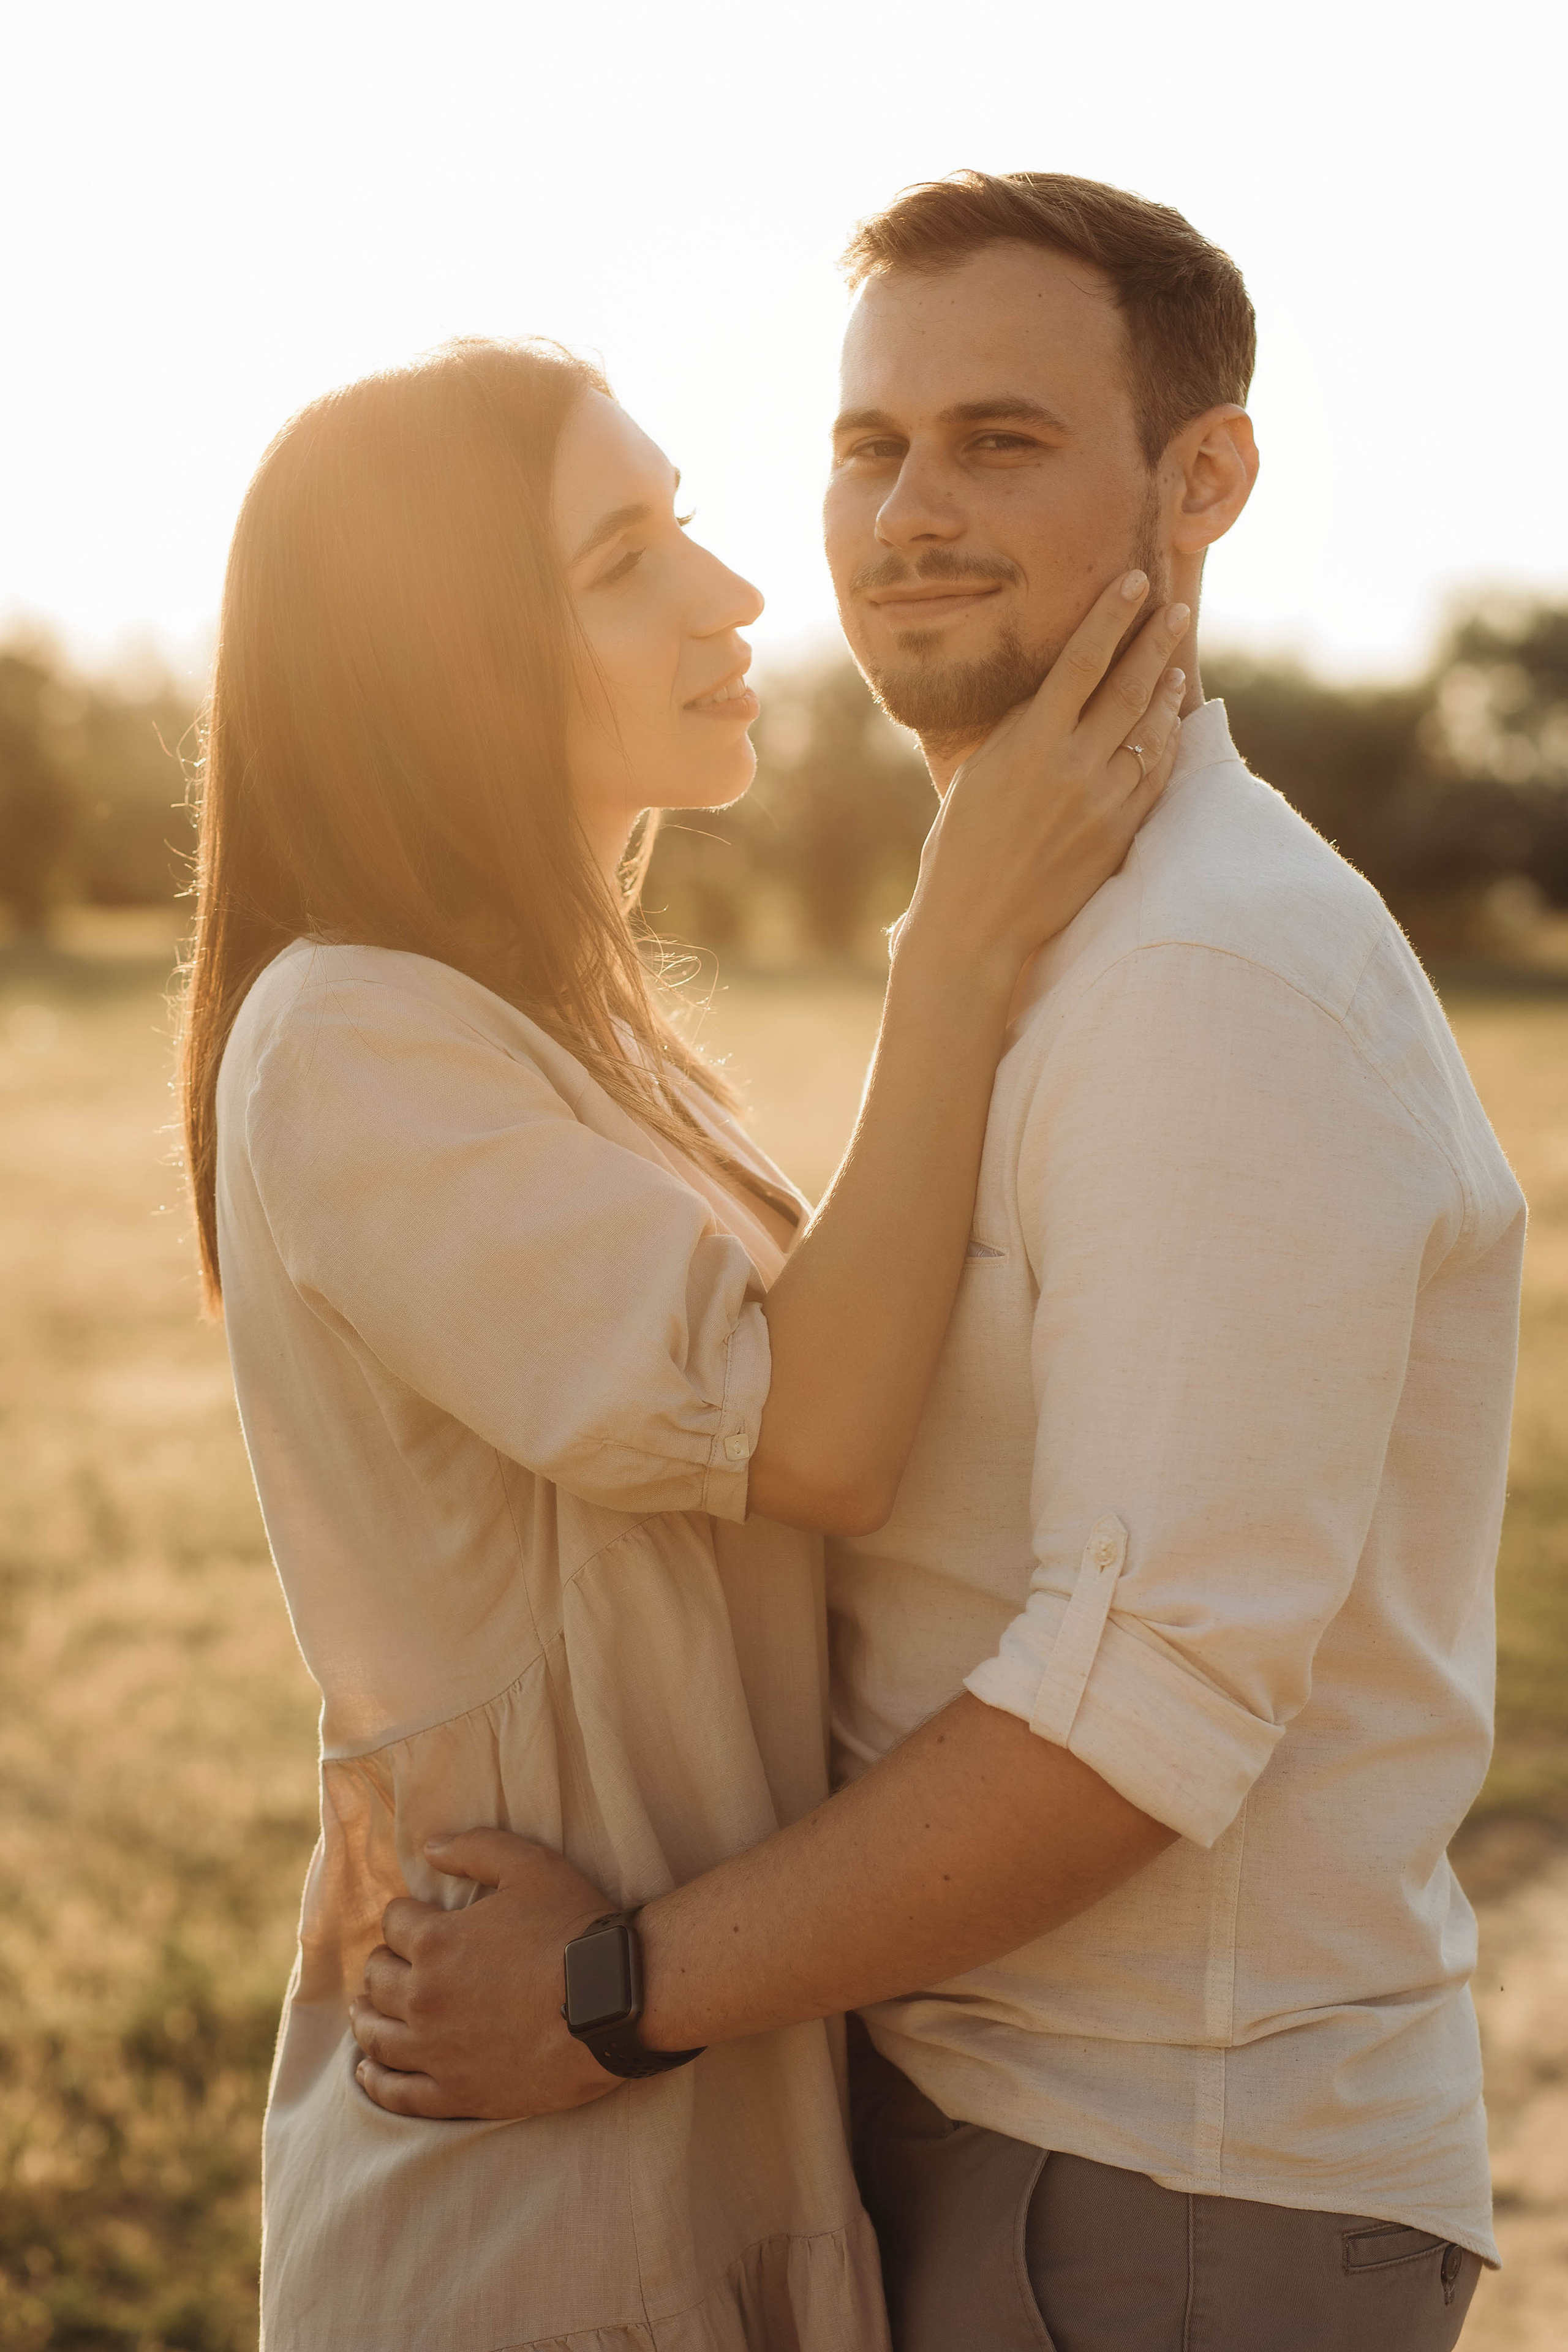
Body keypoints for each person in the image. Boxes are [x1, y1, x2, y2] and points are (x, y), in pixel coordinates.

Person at [352, 176, 1524, 2351]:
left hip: (1159, 2188)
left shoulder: (1212, 973)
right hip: (1019, 2143)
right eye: (870, 446)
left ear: (1208, 478)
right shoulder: (1059, 935)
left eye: (1002, 440)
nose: (912, 513)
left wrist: (610, 1995)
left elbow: (1140, 1712)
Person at [179, 331, 1185, 2347]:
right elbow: (814, 1437)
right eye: (624, 556)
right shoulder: (352, 1039)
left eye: (690, 530)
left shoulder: (587, 1050)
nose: (735, 593)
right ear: (444, 653)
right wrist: (963, 942)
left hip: (704, 2095)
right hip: (531, 2188)